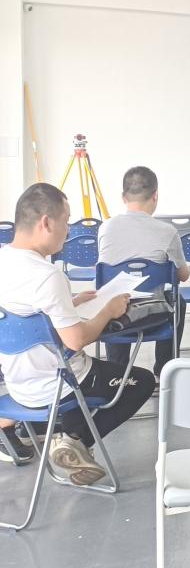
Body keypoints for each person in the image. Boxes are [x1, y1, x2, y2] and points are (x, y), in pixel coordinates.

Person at [0, 183, 152, 486]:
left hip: (17, 386)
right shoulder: (47, 275)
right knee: (142, 381)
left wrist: (70, 303)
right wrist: (108, 310)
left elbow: (24, 312)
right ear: (46, 223)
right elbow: (76, 340)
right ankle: (74, 440)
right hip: (59, 386)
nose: (68, 230)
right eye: (66, 221)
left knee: (91, 379)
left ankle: (64, 435)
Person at [98, 166, 190, 379]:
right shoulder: (167, 231)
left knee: (113, 296)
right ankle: (165, 369)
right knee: (178, 301)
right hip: (153, 313)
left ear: (123, 197)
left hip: (116, 315)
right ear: (155, 195)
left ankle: (117, 370)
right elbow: (183, 276)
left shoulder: (105, 228)